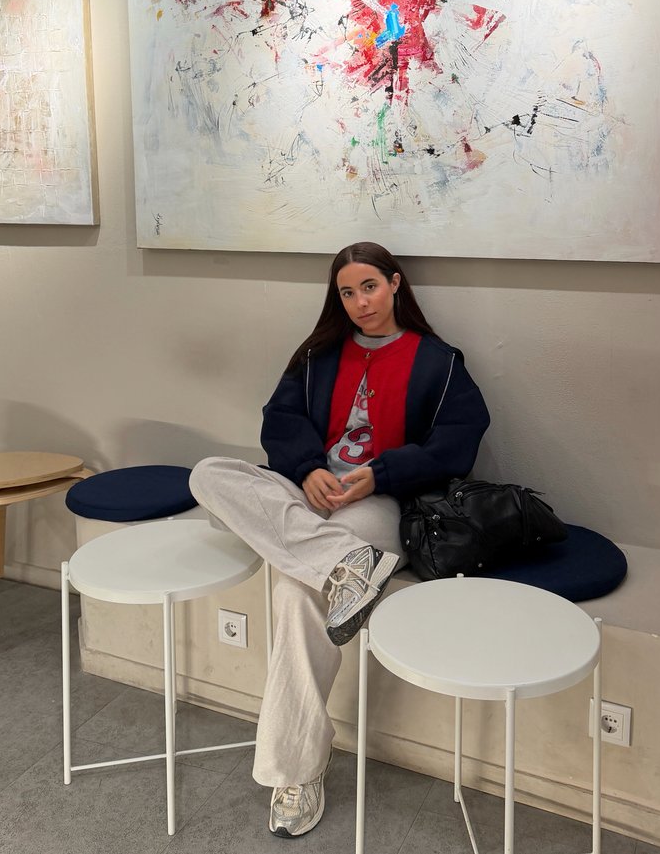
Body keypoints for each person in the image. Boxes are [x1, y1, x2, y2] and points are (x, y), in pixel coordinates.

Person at [189, 241, 490, 838]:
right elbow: (279, 420)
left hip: (378, 502)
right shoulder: (318, 355)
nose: (360, 303)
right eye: (347, 293)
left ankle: (293, 773)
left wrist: (380, 475)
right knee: (207, 474)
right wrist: (307, 469)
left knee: (298, 593)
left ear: (396, 284)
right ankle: (342, 564)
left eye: (370, 287)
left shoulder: (438, 361)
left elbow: (458, 441)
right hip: (305, 489)